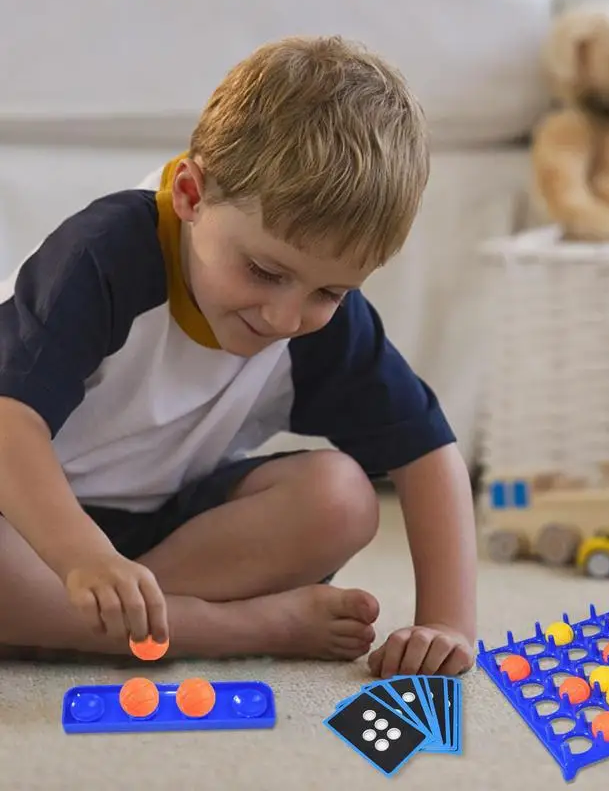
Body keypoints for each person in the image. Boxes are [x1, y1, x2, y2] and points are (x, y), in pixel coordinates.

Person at [0, 36, 477, 678]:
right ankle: (229, 628)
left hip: (166, 536)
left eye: (330, 291)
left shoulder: (315, 322)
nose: (284, 318)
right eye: (263, 271)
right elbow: (10, 422)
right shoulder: (105, 254)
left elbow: (428, 453)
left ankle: (74, 626)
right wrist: (81, 556)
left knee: (342, 496)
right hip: (27, 525)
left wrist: (447, 623)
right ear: (192, 197)